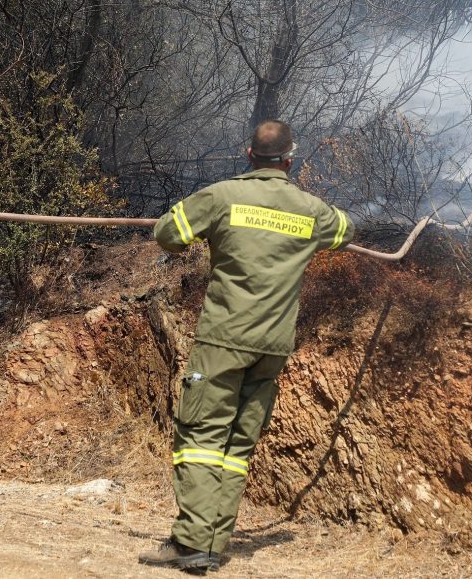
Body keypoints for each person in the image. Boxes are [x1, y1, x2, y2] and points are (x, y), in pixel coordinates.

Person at [137, 120, 356, 572]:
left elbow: (167, 235)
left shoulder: (222, 196)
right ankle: (213, 542)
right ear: (290, 160)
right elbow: (345, 231)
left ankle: (191, 543)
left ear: (250, 155)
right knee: (237, 446)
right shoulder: (311, 210)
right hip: (272, 346)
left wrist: (208, 228)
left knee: (201, 438)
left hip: (224, 339)